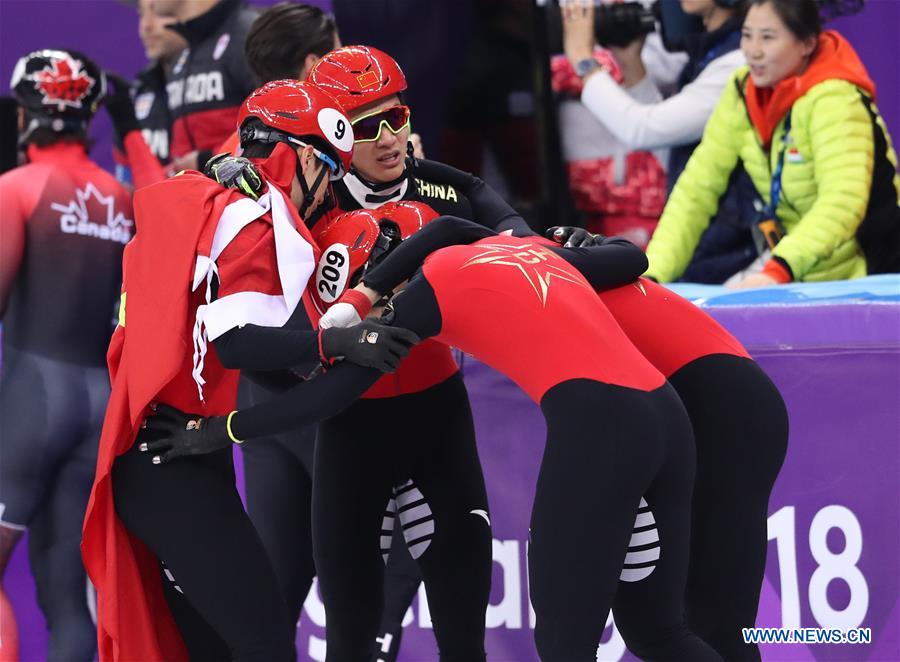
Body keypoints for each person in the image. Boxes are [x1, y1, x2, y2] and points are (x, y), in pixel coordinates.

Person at [80, 79, 417, 662]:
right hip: (172, 465)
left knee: (208, 650)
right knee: (264, 646)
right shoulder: (249, 215)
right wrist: (338, 340)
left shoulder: (206, 198)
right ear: (307, 158)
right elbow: (236, 345)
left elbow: (241, 356)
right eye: (330, 174)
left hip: (165, 456)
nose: (329, 197)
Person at [0, 49, 130, 662]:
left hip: (30, 398)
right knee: (64, 595)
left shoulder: (16, 189)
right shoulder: (122, 200)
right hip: (97, 404)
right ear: (91, 113)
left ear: (25, 115)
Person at [645, 0, 900, 286]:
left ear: (806, 43)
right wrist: (652, 275)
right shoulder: (743, 90)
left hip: (874, 271)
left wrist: (779, 268)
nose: (753, 51)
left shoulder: (835, 99)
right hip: (802, 271)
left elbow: (842, 202)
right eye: (746, 34)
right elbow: (696, 191)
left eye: (768, 37)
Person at [562, 0, 762, 282]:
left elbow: (642, 129)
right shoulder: (710, 54)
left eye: (767, 37)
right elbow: (675, 154)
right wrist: (631, 64)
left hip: (736, 254)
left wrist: (583, 59)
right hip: (706, 245)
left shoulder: (740, 63)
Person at [156, 0, 260, 172]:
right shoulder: (184, 53)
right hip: (201, 194)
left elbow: (279, 128)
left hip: (247, 194)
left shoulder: (247, 33)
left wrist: (209, 159)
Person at [106, 0, 187, 190]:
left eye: (159, 11)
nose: (146, 26)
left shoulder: (224, 81)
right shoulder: (136, 94)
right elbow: (126, 179)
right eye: (141, 14)